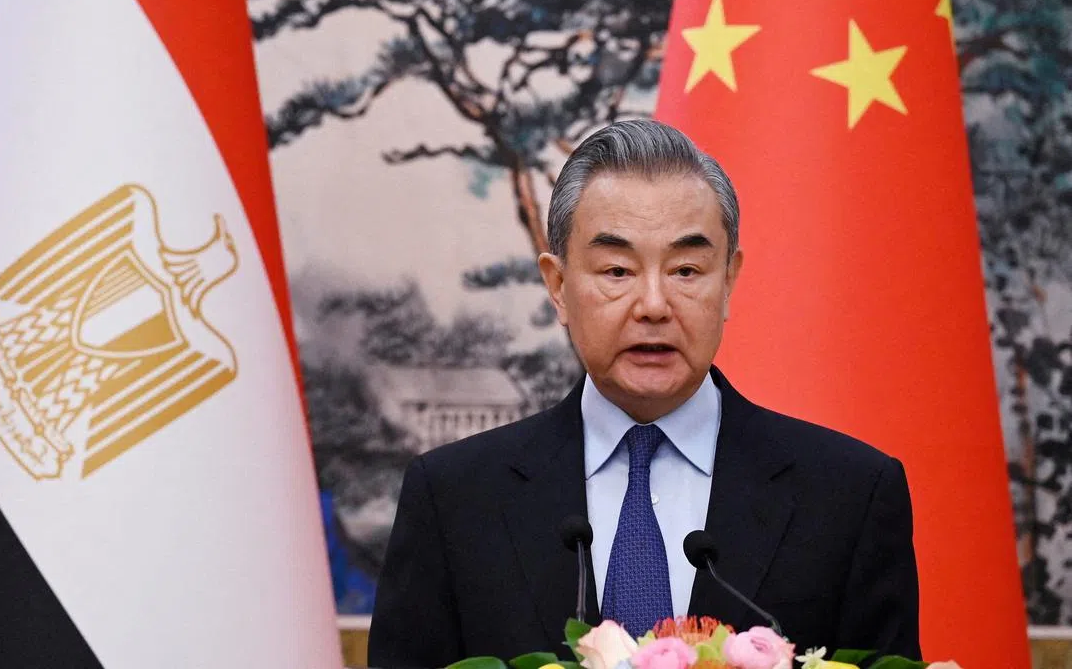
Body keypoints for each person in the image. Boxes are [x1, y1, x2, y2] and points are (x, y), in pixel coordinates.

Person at [367, 119, 919, 668]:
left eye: (685, 269)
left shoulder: (850, 496)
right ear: (558, 287)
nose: (653, 304)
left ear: (728, 280)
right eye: (617, 269)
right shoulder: (454, 500)